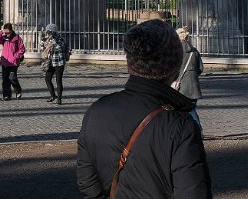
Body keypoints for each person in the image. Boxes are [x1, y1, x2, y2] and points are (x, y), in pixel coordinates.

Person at [76, 19, 212, 199]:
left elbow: (88, 184)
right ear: (176, 66)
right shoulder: (181, 127)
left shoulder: (96, 111)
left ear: (129, 62)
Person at [174, 26, 204, 122]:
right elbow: (200, 68)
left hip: (179, 87)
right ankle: (195, 127)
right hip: (193, 86)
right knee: (191, 109)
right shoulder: (194, 51)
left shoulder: (175, 51)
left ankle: (195, 128)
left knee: (180, 110)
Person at [0, 22, 26, 100]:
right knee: (5, 79)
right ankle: (6, 95)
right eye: (5, 32)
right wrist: (1, 32)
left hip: (14, 62)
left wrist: (16, 56)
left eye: (7, 32)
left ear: (11, 31)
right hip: (5, 62)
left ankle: (18, 91)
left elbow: (22, 49)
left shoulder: (17, 38)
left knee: (12, 78)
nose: (6, 34)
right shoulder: (4, 38)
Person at [42, 23, 68, 105]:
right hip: (51, 62)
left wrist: (53, 41)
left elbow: (60, 48)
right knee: (47, 78)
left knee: (58, 80)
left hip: (59, 62)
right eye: (48, 31)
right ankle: (53, 95)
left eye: (50, 31)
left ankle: (59, 99)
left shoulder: (60, 38)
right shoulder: (48, 39)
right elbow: (44, 48)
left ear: (54, 31)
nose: (49, 33)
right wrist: (43, 42)